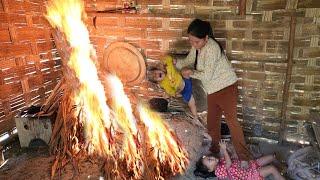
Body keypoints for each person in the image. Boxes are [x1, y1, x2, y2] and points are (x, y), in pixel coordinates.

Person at [174, 18, 250, 161]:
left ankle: (244, 157)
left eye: (196, 42)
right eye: (191, 41)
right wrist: (176, 63)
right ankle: (215, 151)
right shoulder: (196, 47)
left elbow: (207, 76)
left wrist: (190, 72)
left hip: (226, 88)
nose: (193, 44)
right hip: (212, 90)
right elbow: (188, 61)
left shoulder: (212, 48)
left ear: (206, 38)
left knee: (232, 121)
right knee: (212, 122)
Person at [194, 140, 285, 180]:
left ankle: (282, 169)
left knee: (272, 157)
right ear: (210, 169)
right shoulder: (218, 172)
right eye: (210, 160)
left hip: (250, 165)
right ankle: (279, 176)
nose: (212, 158)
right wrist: (224, 149)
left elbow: (231, 159)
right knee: (271, 168)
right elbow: (229, 164)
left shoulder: (221, 160)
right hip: (250, 176)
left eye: (210, 157)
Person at [148, 56, 199, 121]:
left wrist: (169, 61)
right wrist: (175, 93)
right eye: (155, 77)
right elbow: (170, 91)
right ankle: (195, 116)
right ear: (158, 81)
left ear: (159, 69)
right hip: (184, 90)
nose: (157, 75)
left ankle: (199, 74)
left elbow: (168, 59)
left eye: (156, 73)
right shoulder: (164, 83)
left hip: (184, 80)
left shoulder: (168, 67)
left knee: (185, 72)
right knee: (191, 102)